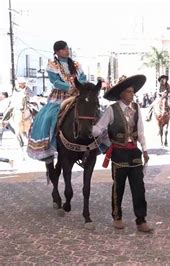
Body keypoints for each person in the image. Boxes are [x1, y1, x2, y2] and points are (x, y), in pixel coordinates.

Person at [92, 75, 152, 233]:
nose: (132, 94)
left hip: (134, 153)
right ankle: (117, 217)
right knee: (118, 187)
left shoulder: (137, 108)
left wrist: (145, 149)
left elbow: (140, 131)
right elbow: (100, 128)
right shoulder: (111, 110)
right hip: (118, 153)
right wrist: (88, 131)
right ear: (121, 94)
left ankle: (141, 220)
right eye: (129, 92)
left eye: (133, 91)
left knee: (139, 187)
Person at [27, 40, 86, 161]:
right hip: (60, 96)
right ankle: (49, 144)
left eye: (67, 48)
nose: (67, 51)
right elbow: (55, 81)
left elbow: (83, 77)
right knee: (49, 116)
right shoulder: (52, 65)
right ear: (57, 52)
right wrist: (69, 87)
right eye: (64, 49)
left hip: (78, 94)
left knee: (92, 112)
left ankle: (95, 142)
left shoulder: (76, 65)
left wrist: (81, 86)